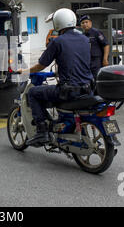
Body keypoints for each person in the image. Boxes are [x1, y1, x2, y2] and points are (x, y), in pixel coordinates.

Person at [17, 8, 93, 146]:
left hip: (69, 90)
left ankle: (41, 131)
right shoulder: (84, 39)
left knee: (33, 93)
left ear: (58, 23)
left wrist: (24, 71)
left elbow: (41, 65)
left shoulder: (57, 42)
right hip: (87, 88)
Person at [79, 15, 110, 80]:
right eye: (83, 23)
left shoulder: (96, 32)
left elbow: (106, 45)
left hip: (97, 61)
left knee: (97, 78)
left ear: (90, 23)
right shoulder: (82, 35)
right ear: (81, 25)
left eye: (86, 22)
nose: (85, 24)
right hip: (87, 61)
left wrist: (105, 59)